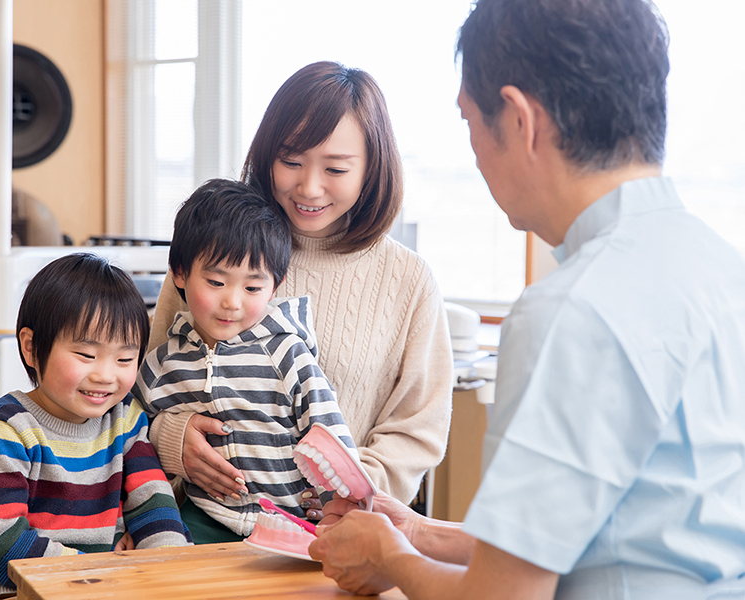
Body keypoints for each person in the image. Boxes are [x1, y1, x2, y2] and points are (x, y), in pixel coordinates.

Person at [308, 0, 745, 598]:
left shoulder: (571, 311)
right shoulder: (722, 269)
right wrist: (419, 532)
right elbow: (618, 531)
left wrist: (390, 558)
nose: (475, 155)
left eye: (468, 124)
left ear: (518, 119)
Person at [146, 61, 453, 517]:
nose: (309, 187)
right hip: (205, 526)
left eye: (336, 168)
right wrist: (170, 440)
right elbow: (146, 387)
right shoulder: (213, 252)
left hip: (336, 534)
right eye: (290, 161)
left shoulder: (408, 280)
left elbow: (415, 431)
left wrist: (345, 493)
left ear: (372, 168)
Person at [0, 254, 191, 600]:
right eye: (86, 355)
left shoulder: (127, 418)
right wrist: (97, 570)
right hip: (1, 586)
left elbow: (155, 505)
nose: (105, 375)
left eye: (124, 359)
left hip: (96, 585)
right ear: (31, 347)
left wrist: (168, 565)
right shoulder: (8, 427)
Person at [135, 178, 357, 543]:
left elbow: (330, 434)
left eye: (252, 287)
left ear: (275, 284)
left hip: (290, 522)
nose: (233, 302)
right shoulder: (162, 365)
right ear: (179, 273)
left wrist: (342, 507)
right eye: (216, 282)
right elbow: (130, 431)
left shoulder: (287, 354)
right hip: (203, 517)